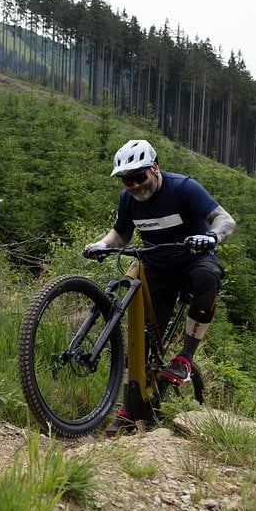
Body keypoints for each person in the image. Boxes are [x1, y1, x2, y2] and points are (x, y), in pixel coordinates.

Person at [83, 138, 236, 435]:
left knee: (207, 278)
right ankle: (130, 411)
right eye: (128, 181)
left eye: (139, 177)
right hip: (157, 268)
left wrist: (213, 237)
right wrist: (102, 245)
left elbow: (224, 218)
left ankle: (185, 359)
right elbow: (121, 234)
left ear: (155, 168)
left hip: (195, 259)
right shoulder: (128, 199)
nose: (135, 186)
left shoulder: (183, 187)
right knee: (138, 341)